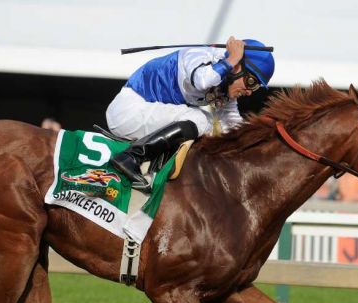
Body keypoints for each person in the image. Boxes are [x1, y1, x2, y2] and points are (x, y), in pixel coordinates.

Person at [106, 36, 274, 192]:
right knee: (201, 119)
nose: (249, 92)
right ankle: (131, 158)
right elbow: (202, 80)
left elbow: (232, 123)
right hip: (128, 111)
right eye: (251, 81)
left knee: (212, 126)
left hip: (147, 113)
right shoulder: (199, 56)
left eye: (255, 86)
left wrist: (255, 150)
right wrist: (231, 59)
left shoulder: (224, 87)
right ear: (237, 67)